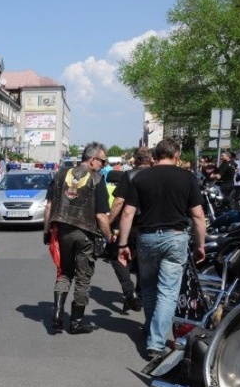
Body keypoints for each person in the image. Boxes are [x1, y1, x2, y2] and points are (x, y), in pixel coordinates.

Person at [117, 138, 206, 359]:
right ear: (176, 154)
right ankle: (156, 343)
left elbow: (128, 212)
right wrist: (201, 244)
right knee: (168, 292)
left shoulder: (141, 176)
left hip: (146, 237)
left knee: (148, 287)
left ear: (157, 154)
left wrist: (123, 244)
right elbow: (197, 215)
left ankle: (150, 328)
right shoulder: (187, 177)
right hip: (175, 237)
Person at [44, 141, 113, 334]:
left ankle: (57, 316)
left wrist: (47, 231)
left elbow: (49, 206)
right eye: (102, 161)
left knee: (64, 272)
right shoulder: (97, 179)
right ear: (92, 160)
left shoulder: (60, 174)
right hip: (85, 234)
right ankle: (76, 322)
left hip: (62, 231)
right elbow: (101, 216)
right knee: (83, 278)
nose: (103, 165)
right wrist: (109, 237)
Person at [107, 147, 152, 313]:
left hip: (131, 223)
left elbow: (119, 201)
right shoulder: (156, 175)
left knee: (115, 255)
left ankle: (129, 290)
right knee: (143, 259)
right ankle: (138, 293)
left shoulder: (129, 175)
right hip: (150, 225)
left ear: (136, 160)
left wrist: (109, 221)